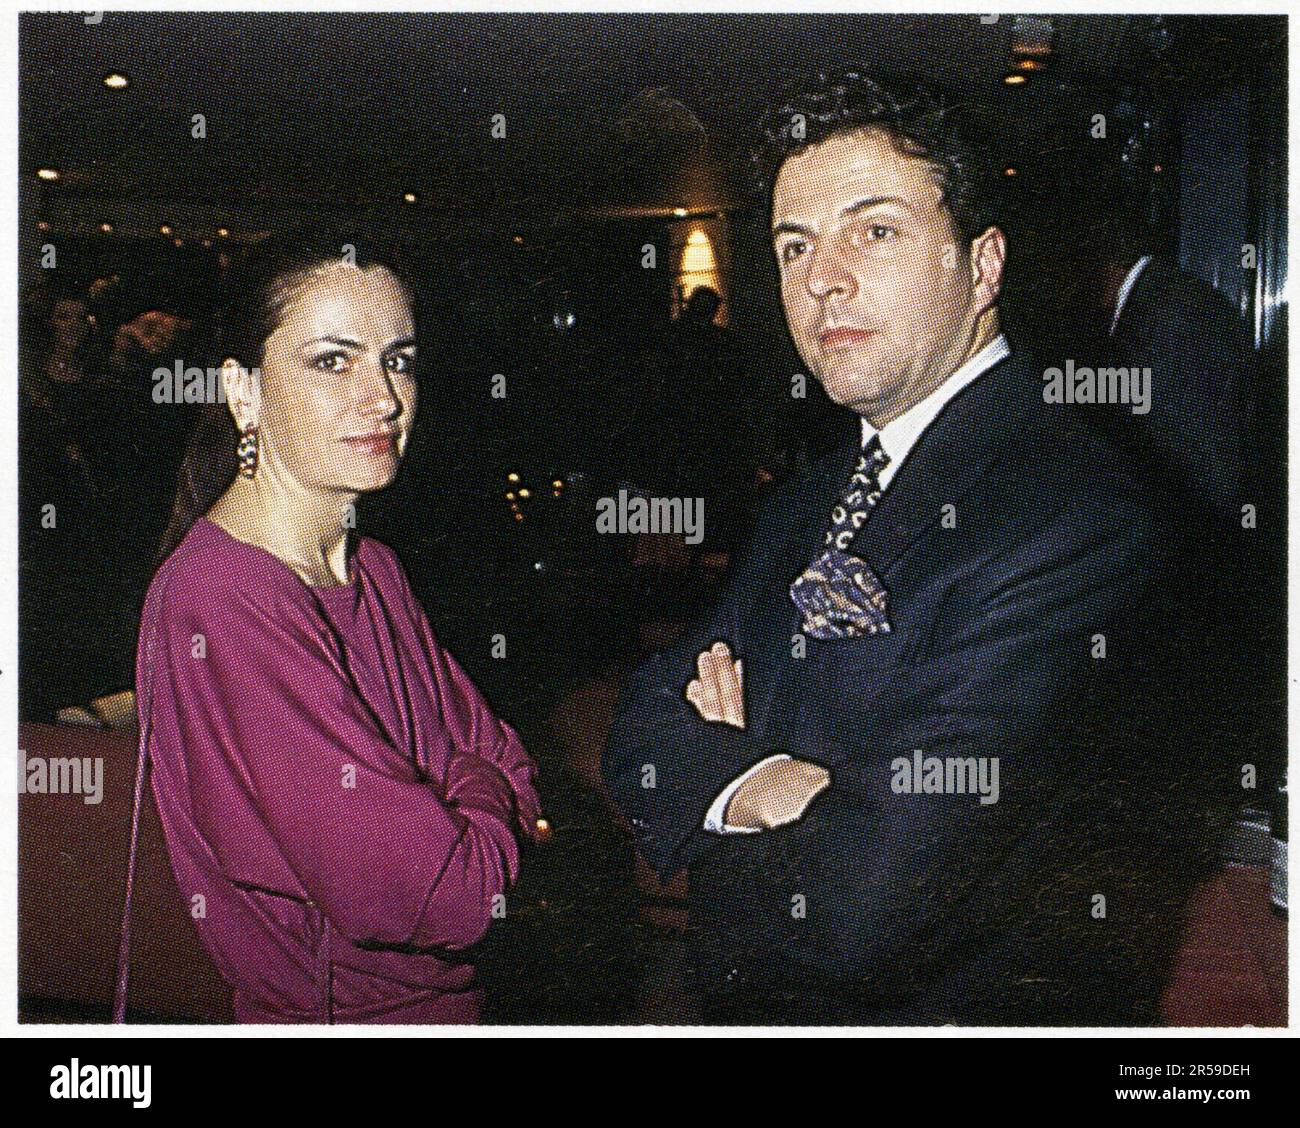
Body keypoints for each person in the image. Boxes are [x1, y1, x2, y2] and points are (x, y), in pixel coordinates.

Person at [602, 71, 1208, 1024]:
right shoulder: (811, 497)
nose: (822, 276)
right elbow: (641, 725)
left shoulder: (1077, 513)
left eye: (873, 230)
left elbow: (858, 914)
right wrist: (769, 784)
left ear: (984, 265)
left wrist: (719, 782)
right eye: (794, 244)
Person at [132, 234, 543, 1023]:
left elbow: (507, 759)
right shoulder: (221, 601)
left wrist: (469, 804)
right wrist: (477, 800)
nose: (384, 398)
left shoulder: (375, 569)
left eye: (399, 359)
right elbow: (449, 896)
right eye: (332, 362)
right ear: (243, 393)